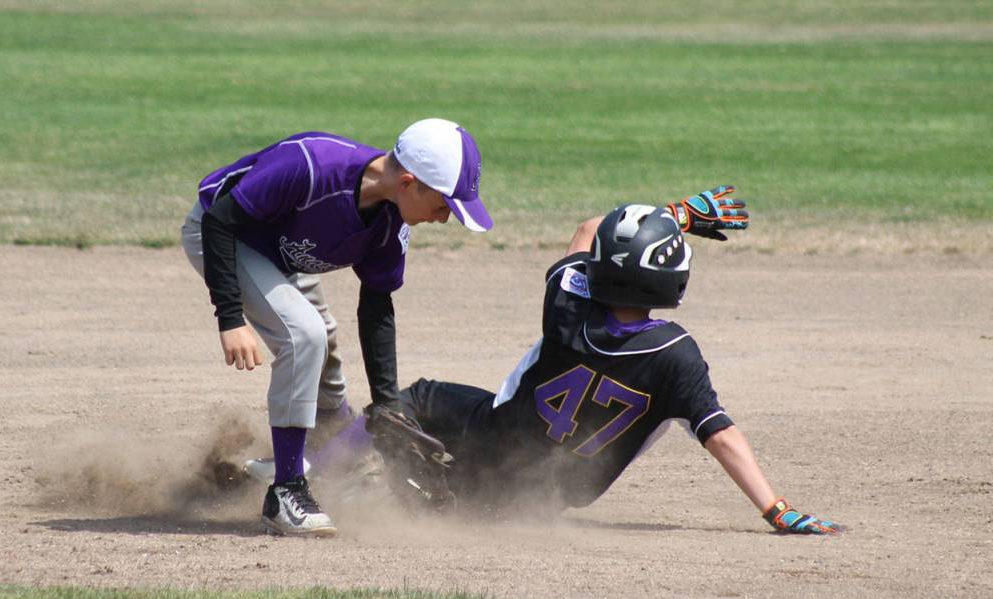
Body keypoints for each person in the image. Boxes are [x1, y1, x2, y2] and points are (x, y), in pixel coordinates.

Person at [307, 190, 842, 534]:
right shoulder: (676, 356)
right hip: (542, 498)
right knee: (470, 483)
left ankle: (313, 478)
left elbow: (591, 226)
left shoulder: (570, 304)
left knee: (410, 400)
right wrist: (776, 509)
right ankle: (423, 493)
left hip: (495, 436)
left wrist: (675, 213)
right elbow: (721, 435)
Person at [182, 118, 493, 537]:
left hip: (281, 252)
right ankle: (287, 492)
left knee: (321, 342)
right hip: (224, 235)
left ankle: (321, 454)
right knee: (304, 335)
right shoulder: (310, 166)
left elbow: (376, 305)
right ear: (408, 182)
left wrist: (386, 403)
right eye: (444, 206)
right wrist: (231, 316)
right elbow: (221, 221)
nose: (444, 218)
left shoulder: (390, 223)